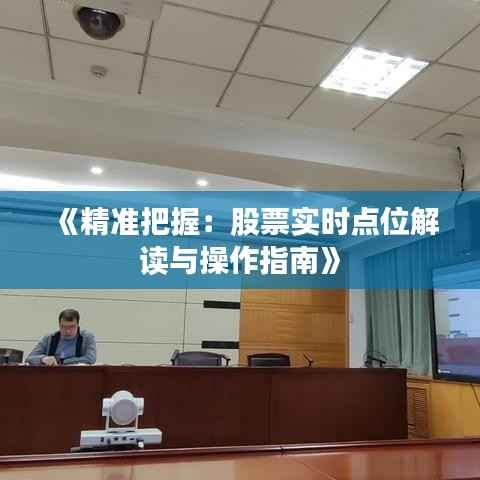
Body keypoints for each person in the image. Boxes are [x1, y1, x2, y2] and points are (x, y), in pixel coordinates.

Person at [26, 309, 96, 366]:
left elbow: (90, 359)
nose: (68, 331)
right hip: (52, 375)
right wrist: (43, 359)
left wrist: (61, 362)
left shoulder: (87, 337)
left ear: (78, 325)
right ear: (59, 325)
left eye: (72, 327)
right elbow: (29, 359)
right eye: (64, 327)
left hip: (78, 374)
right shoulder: (49, 338)